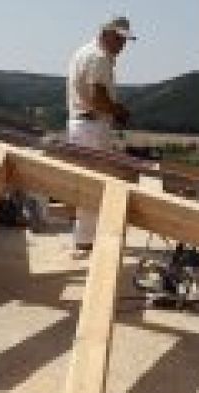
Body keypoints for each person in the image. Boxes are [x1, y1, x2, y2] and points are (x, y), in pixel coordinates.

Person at [67, 16, 136, 252]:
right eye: (118, 39)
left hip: (83, 125)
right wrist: (120, 111)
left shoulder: (84, 52)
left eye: (124, 40)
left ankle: (84, 237)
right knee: (96, 184)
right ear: (105, 33)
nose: (122, 45)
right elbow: (98, 99)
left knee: (87, 183)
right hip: (91, 127)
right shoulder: (99, 58)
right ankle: (87, 241)